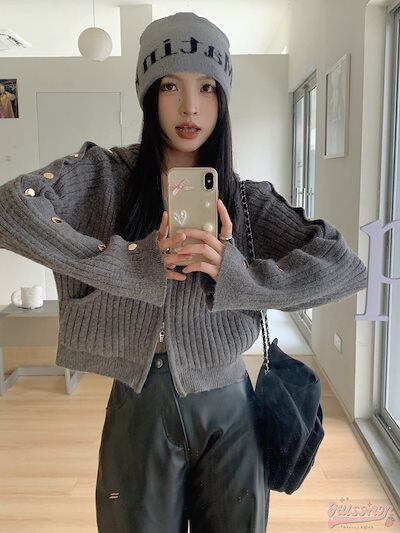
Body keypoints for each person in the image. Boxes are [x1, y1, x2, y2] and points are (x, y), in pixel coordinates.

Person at [0, 11, 368, 533]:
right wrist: (132, 262)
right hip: (139, 402)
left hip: (230, 404)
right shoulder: (107, 176)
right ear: (149, 94)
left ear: (223, 98)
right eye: (171, 85)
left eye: (207, 87)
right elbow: (11, 209)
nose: (190, 106)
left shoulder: (245, 199)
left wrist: (238, 276)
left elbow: (343, 265)